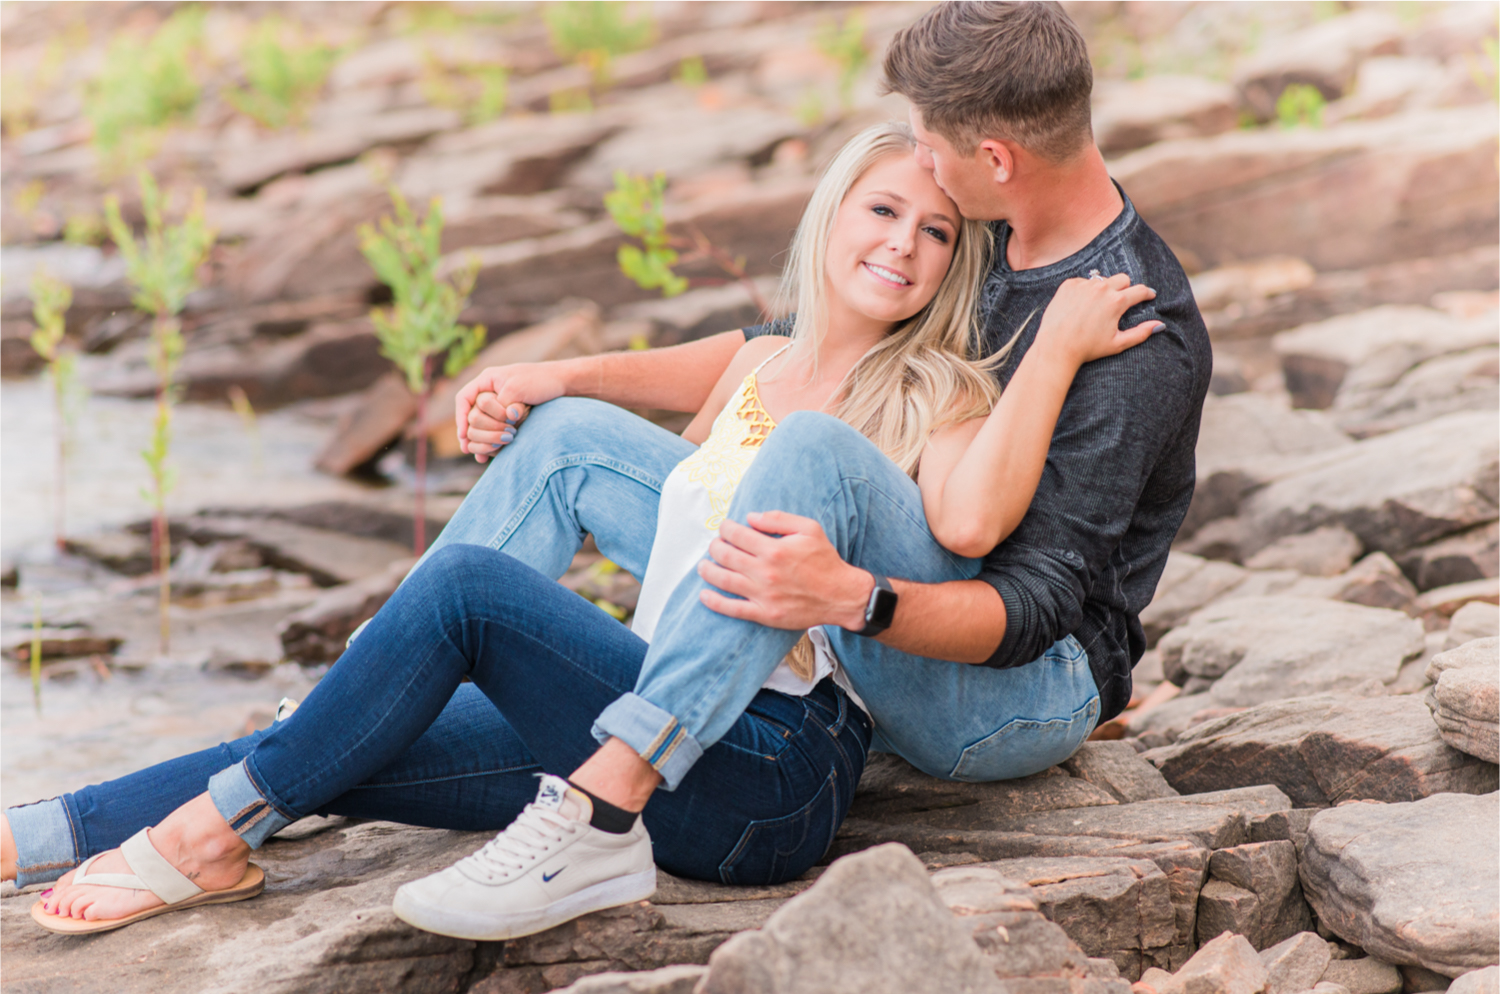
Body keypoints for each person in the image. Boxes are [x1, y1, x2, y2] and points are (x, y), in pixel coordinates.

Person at [6, 118, 1154, 939]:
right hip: (645, 709)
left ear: (957, 265)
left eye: (940, 234)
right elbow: (671, 378)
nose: (904, 244)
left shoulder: (934, 393)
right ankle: (43, 833)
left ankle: (227, 833)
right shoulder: (757, 368)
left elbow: (967, 516)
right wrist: (540, 374)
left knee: (460, 592)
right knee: (354, 741)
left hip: (770, 773)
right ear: (831, 217)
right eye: (884, 210)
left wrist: (1051, 348)